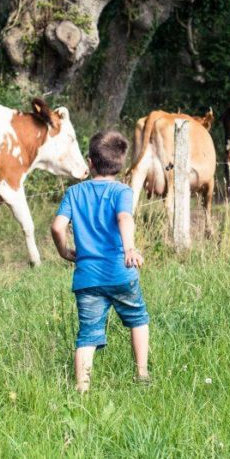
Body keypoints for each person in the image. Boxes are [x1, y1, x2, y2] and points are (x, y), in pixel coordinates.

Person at [50, 130, 149, 393]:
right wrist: (129, 248)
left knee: (88, 334)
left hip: (87, 278)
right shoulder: (122, 191)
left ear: (90, 162)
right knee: (138, 318)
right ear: (121, 164)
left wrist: (63, 251)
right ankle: (141, 375)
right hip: (120, 272)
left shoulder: (74, 193)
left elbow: (58, 227)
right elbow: (124, 218)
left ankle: (82, 389)